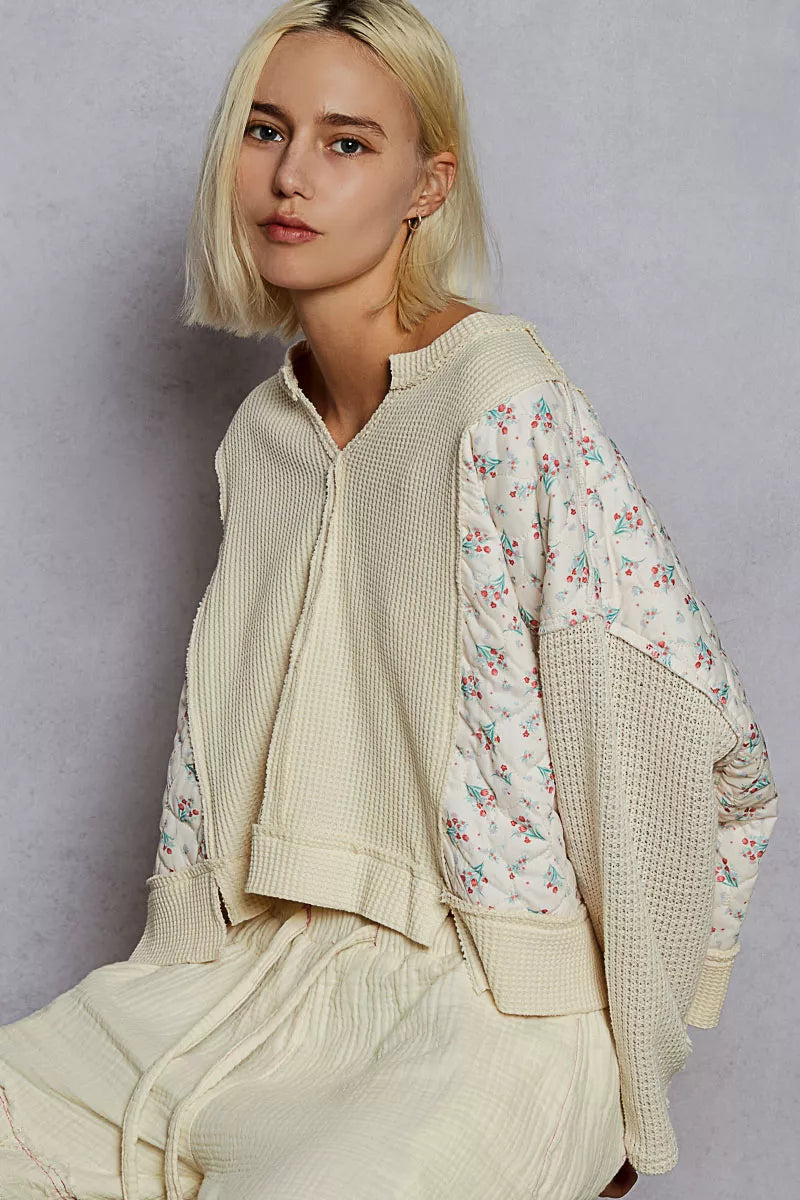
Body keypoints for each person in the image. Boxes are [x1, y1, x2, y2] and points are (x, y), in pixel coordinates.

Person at [0, 2, 778, 1198]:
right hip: (253, 980)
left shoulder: (502, 403)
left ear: (427, 185)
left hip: (489, 1015)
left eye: (347, 142)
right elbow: (217, 739)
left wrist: (634, 1051)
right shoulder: (261, 436)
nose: (291, 176)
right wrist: (183, 947)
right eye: (266, 130)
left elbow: (703, 748)